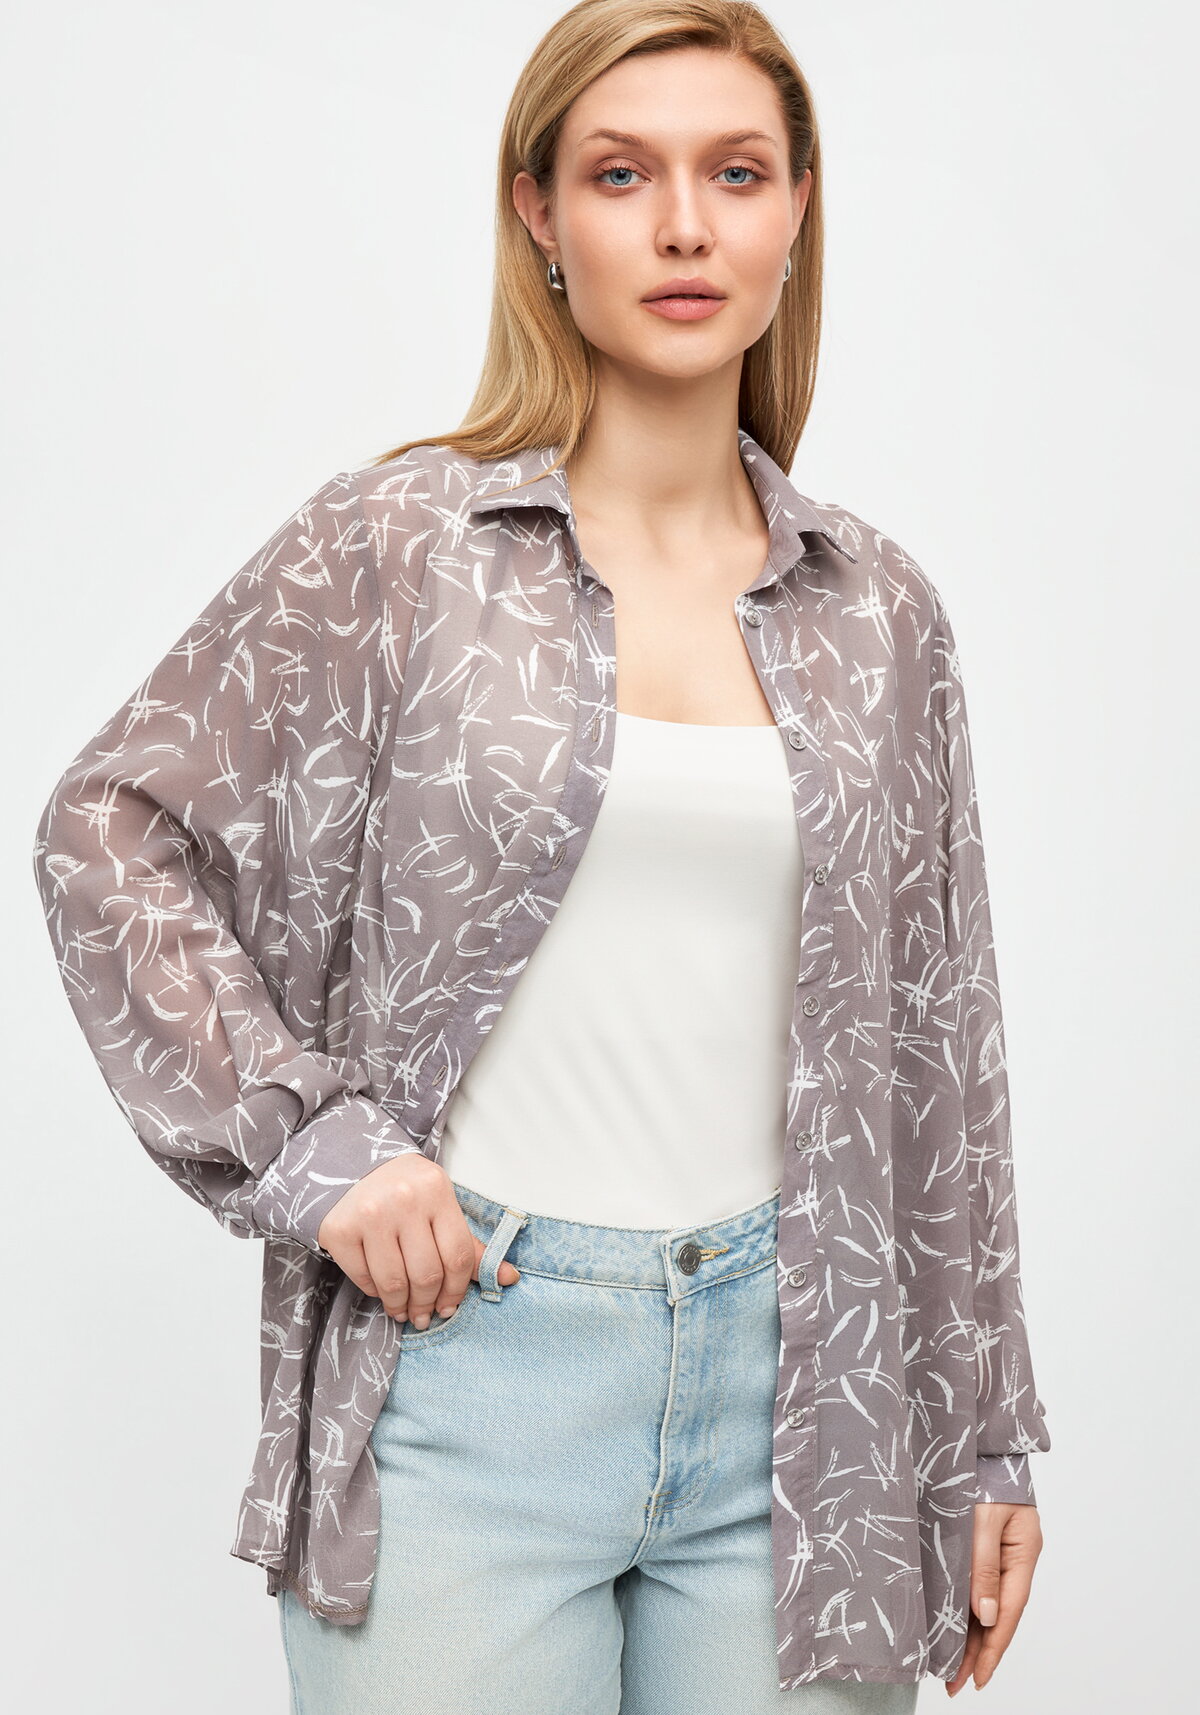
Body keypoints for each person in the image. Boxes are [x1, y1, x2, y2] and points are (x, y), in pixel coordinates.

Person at [31, 3, 1051, 1710]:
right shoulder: (397, 547)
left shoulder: (879, 611)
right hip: (469, 1383)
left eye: (737, 174)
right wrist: (323, 1151)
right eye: (622, 174)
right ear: (539, 214)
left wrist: (981, 1428)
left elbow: (944, 1045)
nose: (684, 226)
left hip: (812, 1412)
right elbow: (110, 828)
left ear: (797, 211)